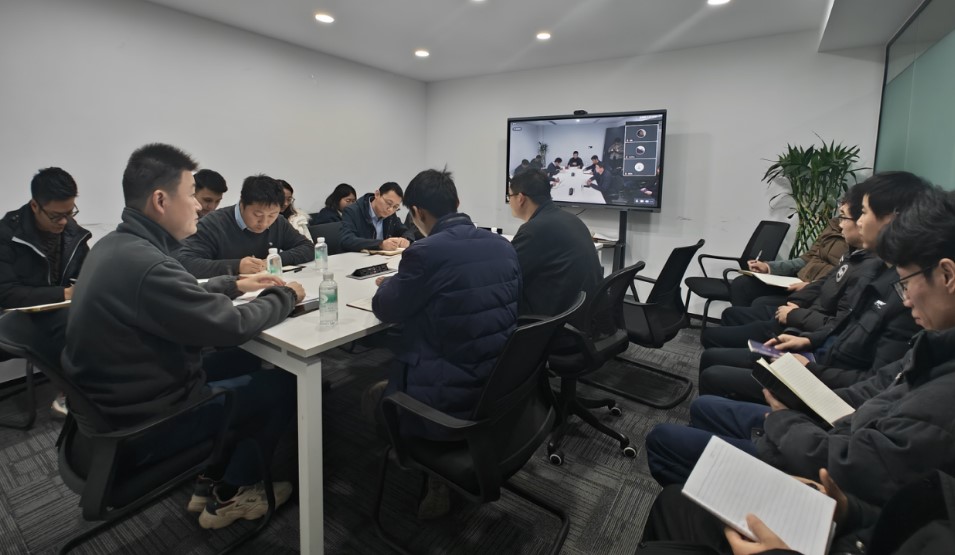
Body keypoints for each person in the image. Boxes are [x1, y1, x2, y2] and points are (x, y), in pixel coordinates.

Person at [639, 187, 955, 555]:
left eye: (908, 283)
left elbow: (859, 459)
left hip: (818, 448)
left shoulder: (939, 385)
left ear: (946, 275)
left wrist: (790, 413)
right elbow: (869, 384)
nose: (906, 298)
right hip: (823, 430)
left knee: (670, 460)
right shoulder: (931, 342)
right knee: (703, 412)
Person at [63, 143, 306, 529]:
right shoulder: (148, 264)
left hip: (117, 407)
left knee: (244, 359)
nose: (198, 205)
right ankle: (234, 493)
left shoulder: (117, 246)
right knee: (285, 383)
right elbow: (232, 326)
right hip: (150, 425)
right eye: (192, 194)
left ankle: (211, 474)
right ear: (161, 200)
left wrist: (234, 284)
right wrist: (285, 296)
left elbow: (178, 292)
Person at [367, 168, 520, 517]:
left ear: (416, 212)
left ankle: (425, 465)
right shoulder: (503, 246)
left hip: (447, 401)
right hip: (500, 388)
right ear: (458, 202)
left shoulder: (425, 252)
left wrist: (390, 285)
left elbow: (386, 309)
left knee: (373, 397)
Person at [696, 173, 925, 402]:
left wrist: (804, 343)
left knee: (714, 370)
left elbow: (872, 384)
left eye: (863, 213)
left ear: (891, 219)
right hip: (813, 346)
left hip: (821, 374)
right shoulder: (863, 260)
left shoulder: (889, 284)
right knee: (731, 321)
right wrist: (808, 337)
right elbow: (835, 312)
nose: (856, 222)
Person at [0, 167, 90, 417]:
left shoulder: (72, 232)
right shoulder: (6, 235)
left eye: (70, 212)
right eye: (55, 216)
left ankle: (101, 390)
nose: (64, 221)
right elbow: (6, 294)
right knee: (72, 324)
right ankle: (70, 396)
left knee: (106, 315)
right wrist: (65, 294)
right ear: (35, 205)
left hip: (55, 313)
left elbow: (85, 273)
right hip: (12, 318)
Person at [177, 175, 313, 278]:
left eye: (272, 215)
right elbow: (186, 263)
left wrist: (273, 261)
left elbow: (307, 247)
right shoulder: (213, 224)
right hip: (228, 296)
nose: (264, 222)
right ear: (242, 204)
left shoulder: (279, 222)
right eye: (257, 215)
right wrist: (237, 266)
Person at [509, 169, 602, 317]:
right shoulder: (571, 219)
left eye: (510, 196)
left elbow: (508, 274)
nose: (509, 202)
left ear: (520, 198)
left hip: (556, 319)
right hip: (585, 314)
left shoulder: (534, 229)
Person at [729, 215, 848, 308]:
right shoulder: (834, 225)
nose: (840, 209)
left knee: (761, 303)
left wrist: (812, 286)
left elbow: (844, 278)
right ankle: (736, 328)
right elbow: (807, 258)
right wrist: (768, 266)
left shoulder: (855, 239)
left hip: (817, 290)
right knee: (741, 284)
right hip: (798, 280)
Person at [339, 182, 415, 252]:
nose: (390, 210)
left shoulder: (391, 215)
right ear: (377, 194)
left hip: (383, 258)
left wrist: (406, 239)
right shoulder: (352, 211)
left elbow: (406, 230)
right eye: (388, 203)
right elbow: (347, 240)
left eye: (395, 207)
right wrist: (380, 244)